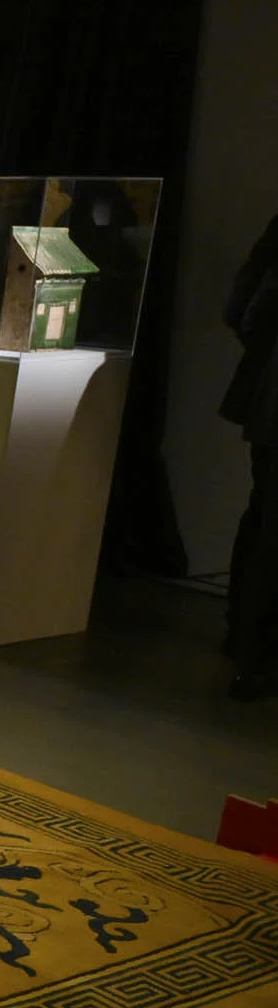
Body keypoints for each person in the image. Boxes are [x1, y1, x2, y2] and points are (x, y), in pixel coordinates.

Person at [220, 211, 278, 700]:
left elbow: (242, 310)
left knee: (264, 517)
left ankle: (242, 640)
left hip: (268, 403)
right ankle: (256, 658)